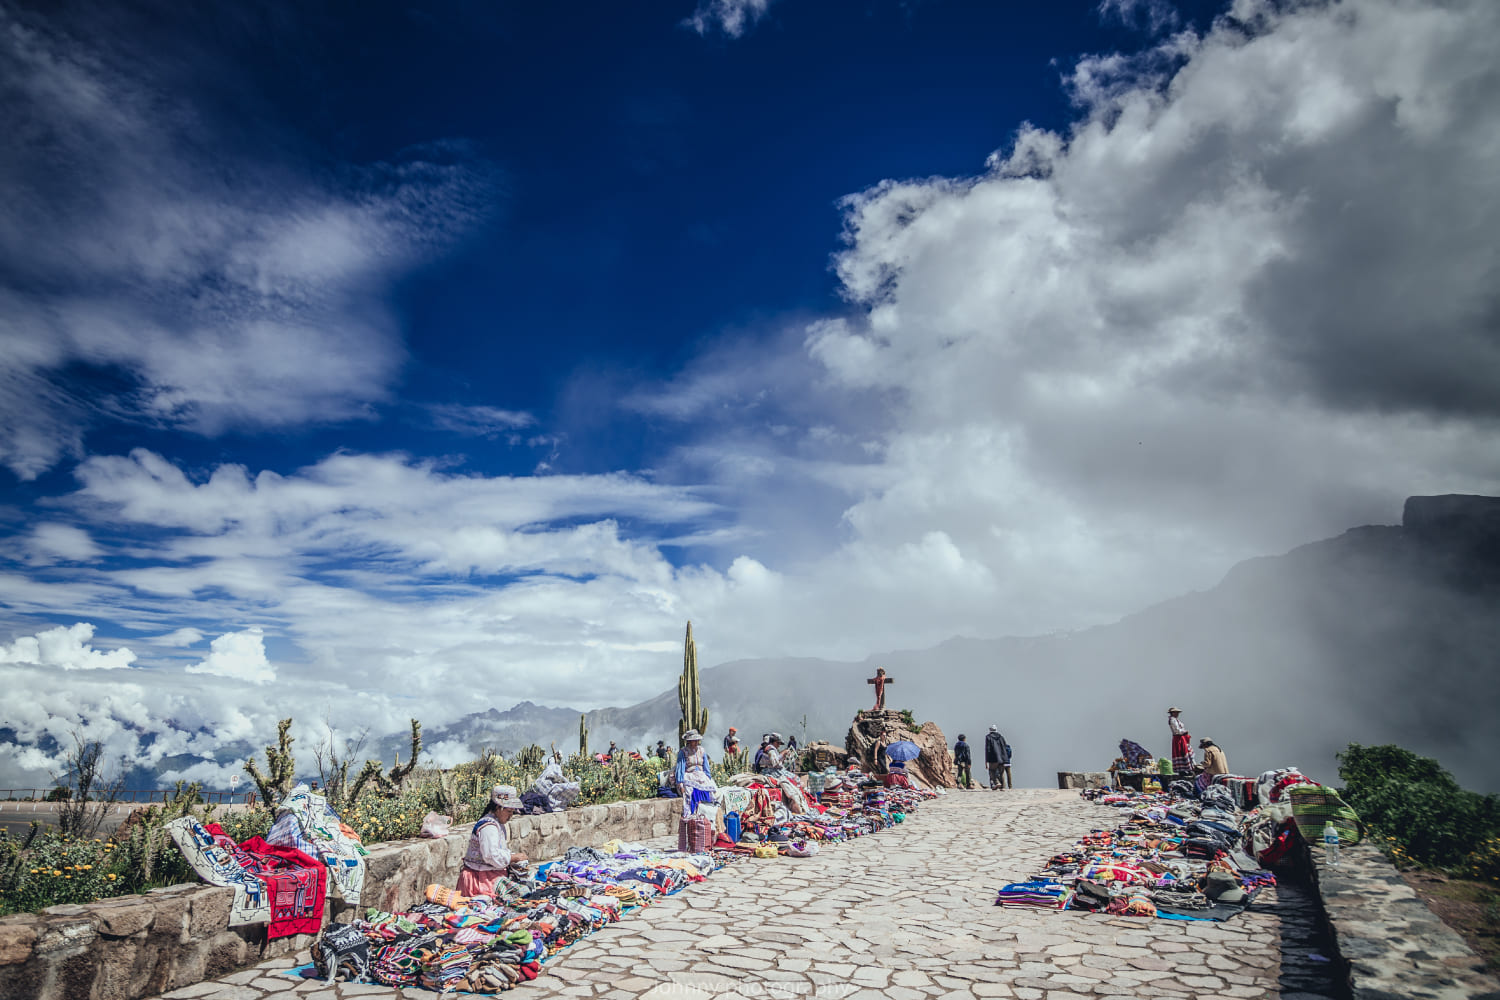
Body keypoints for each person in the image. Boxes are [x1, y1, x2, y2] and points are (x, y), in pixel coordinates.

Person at [458, 784, 527, 897]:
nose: (511, 816)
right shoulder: (488, 826)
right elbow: (490, 855)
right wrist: (512, 858)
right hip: (481, 879)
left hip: (488, 875)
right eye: (509, 811)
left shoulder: (497, 824)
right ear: (498, 808)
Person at [675, 729, 718, 853]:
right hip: (690, 776)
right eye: (692, 741)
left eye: (696, 740)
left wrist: (708, 778)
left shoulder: (702, 751)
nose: (694, 743)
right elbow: (680, 767)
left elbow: (706, 767)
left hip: (702, 776)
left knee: (710, 795)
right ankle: (692, 822)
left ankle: (707, 824)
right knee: (690, 795)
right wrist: (680, 782)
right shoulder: (683, 752)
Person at [1168, 708, 1195, 774]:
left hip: (1180, 738)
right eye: (1175, 712)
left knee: (1183, 752)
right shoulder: (1172, 720)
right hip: (1178, 738)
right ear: (1172, 713)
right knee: (1180, 752)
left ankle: (1186, 769)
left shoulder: (1176, 720)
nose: (1177, 714)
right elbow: (1177, 730)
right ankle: (1182, 770)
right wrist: (1184, 731)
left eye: (1177, 712)